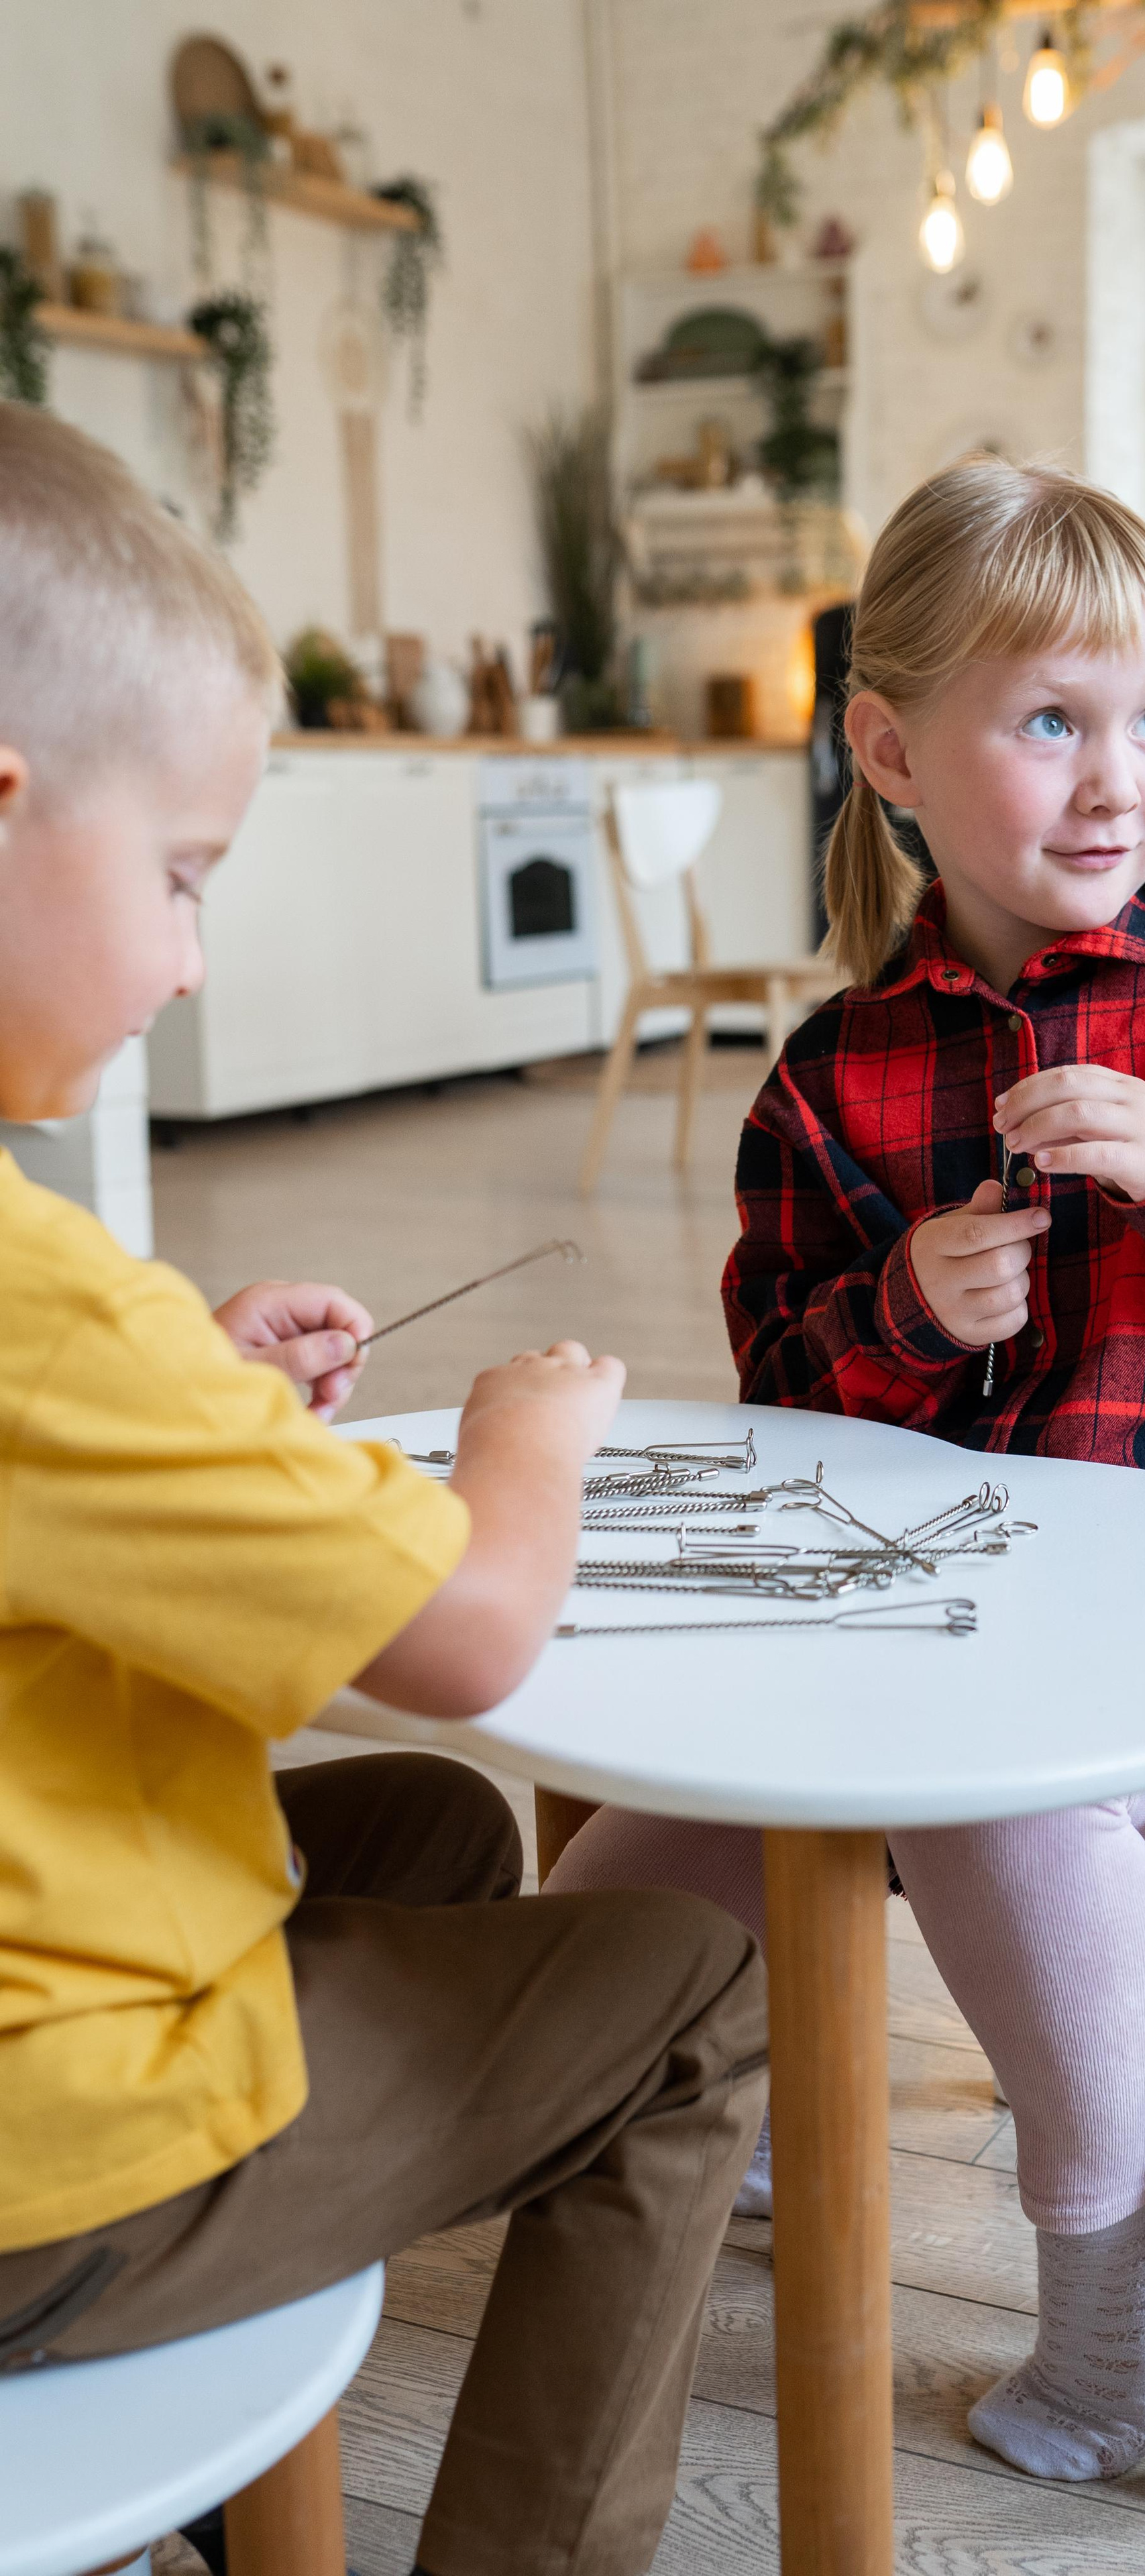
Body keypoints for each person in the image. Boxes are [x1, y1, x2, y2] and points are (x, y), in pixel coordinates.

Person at [547, 458, 1145, 2485]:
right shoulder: (839, 1071)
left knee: (1000, 1784)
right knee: (628, 1882)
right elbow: (783, 1402)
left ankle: (1109, 2340)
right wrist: (900, 1309)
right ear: (893, 750)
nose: (1117, 778)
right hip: (962, 1613)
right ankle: (710, 2115)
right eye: (1051, 718)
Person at [0, 401, 767, 2576]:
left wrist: (197, 1383)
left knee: (425, 1840)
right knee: (689, 1992)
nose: (187, 961)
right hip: (45, 2172)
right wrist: (531, 1443)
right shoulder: (47, 1304)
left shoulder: (70, 1335)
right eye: (180, 879)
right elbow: (470, 1633)